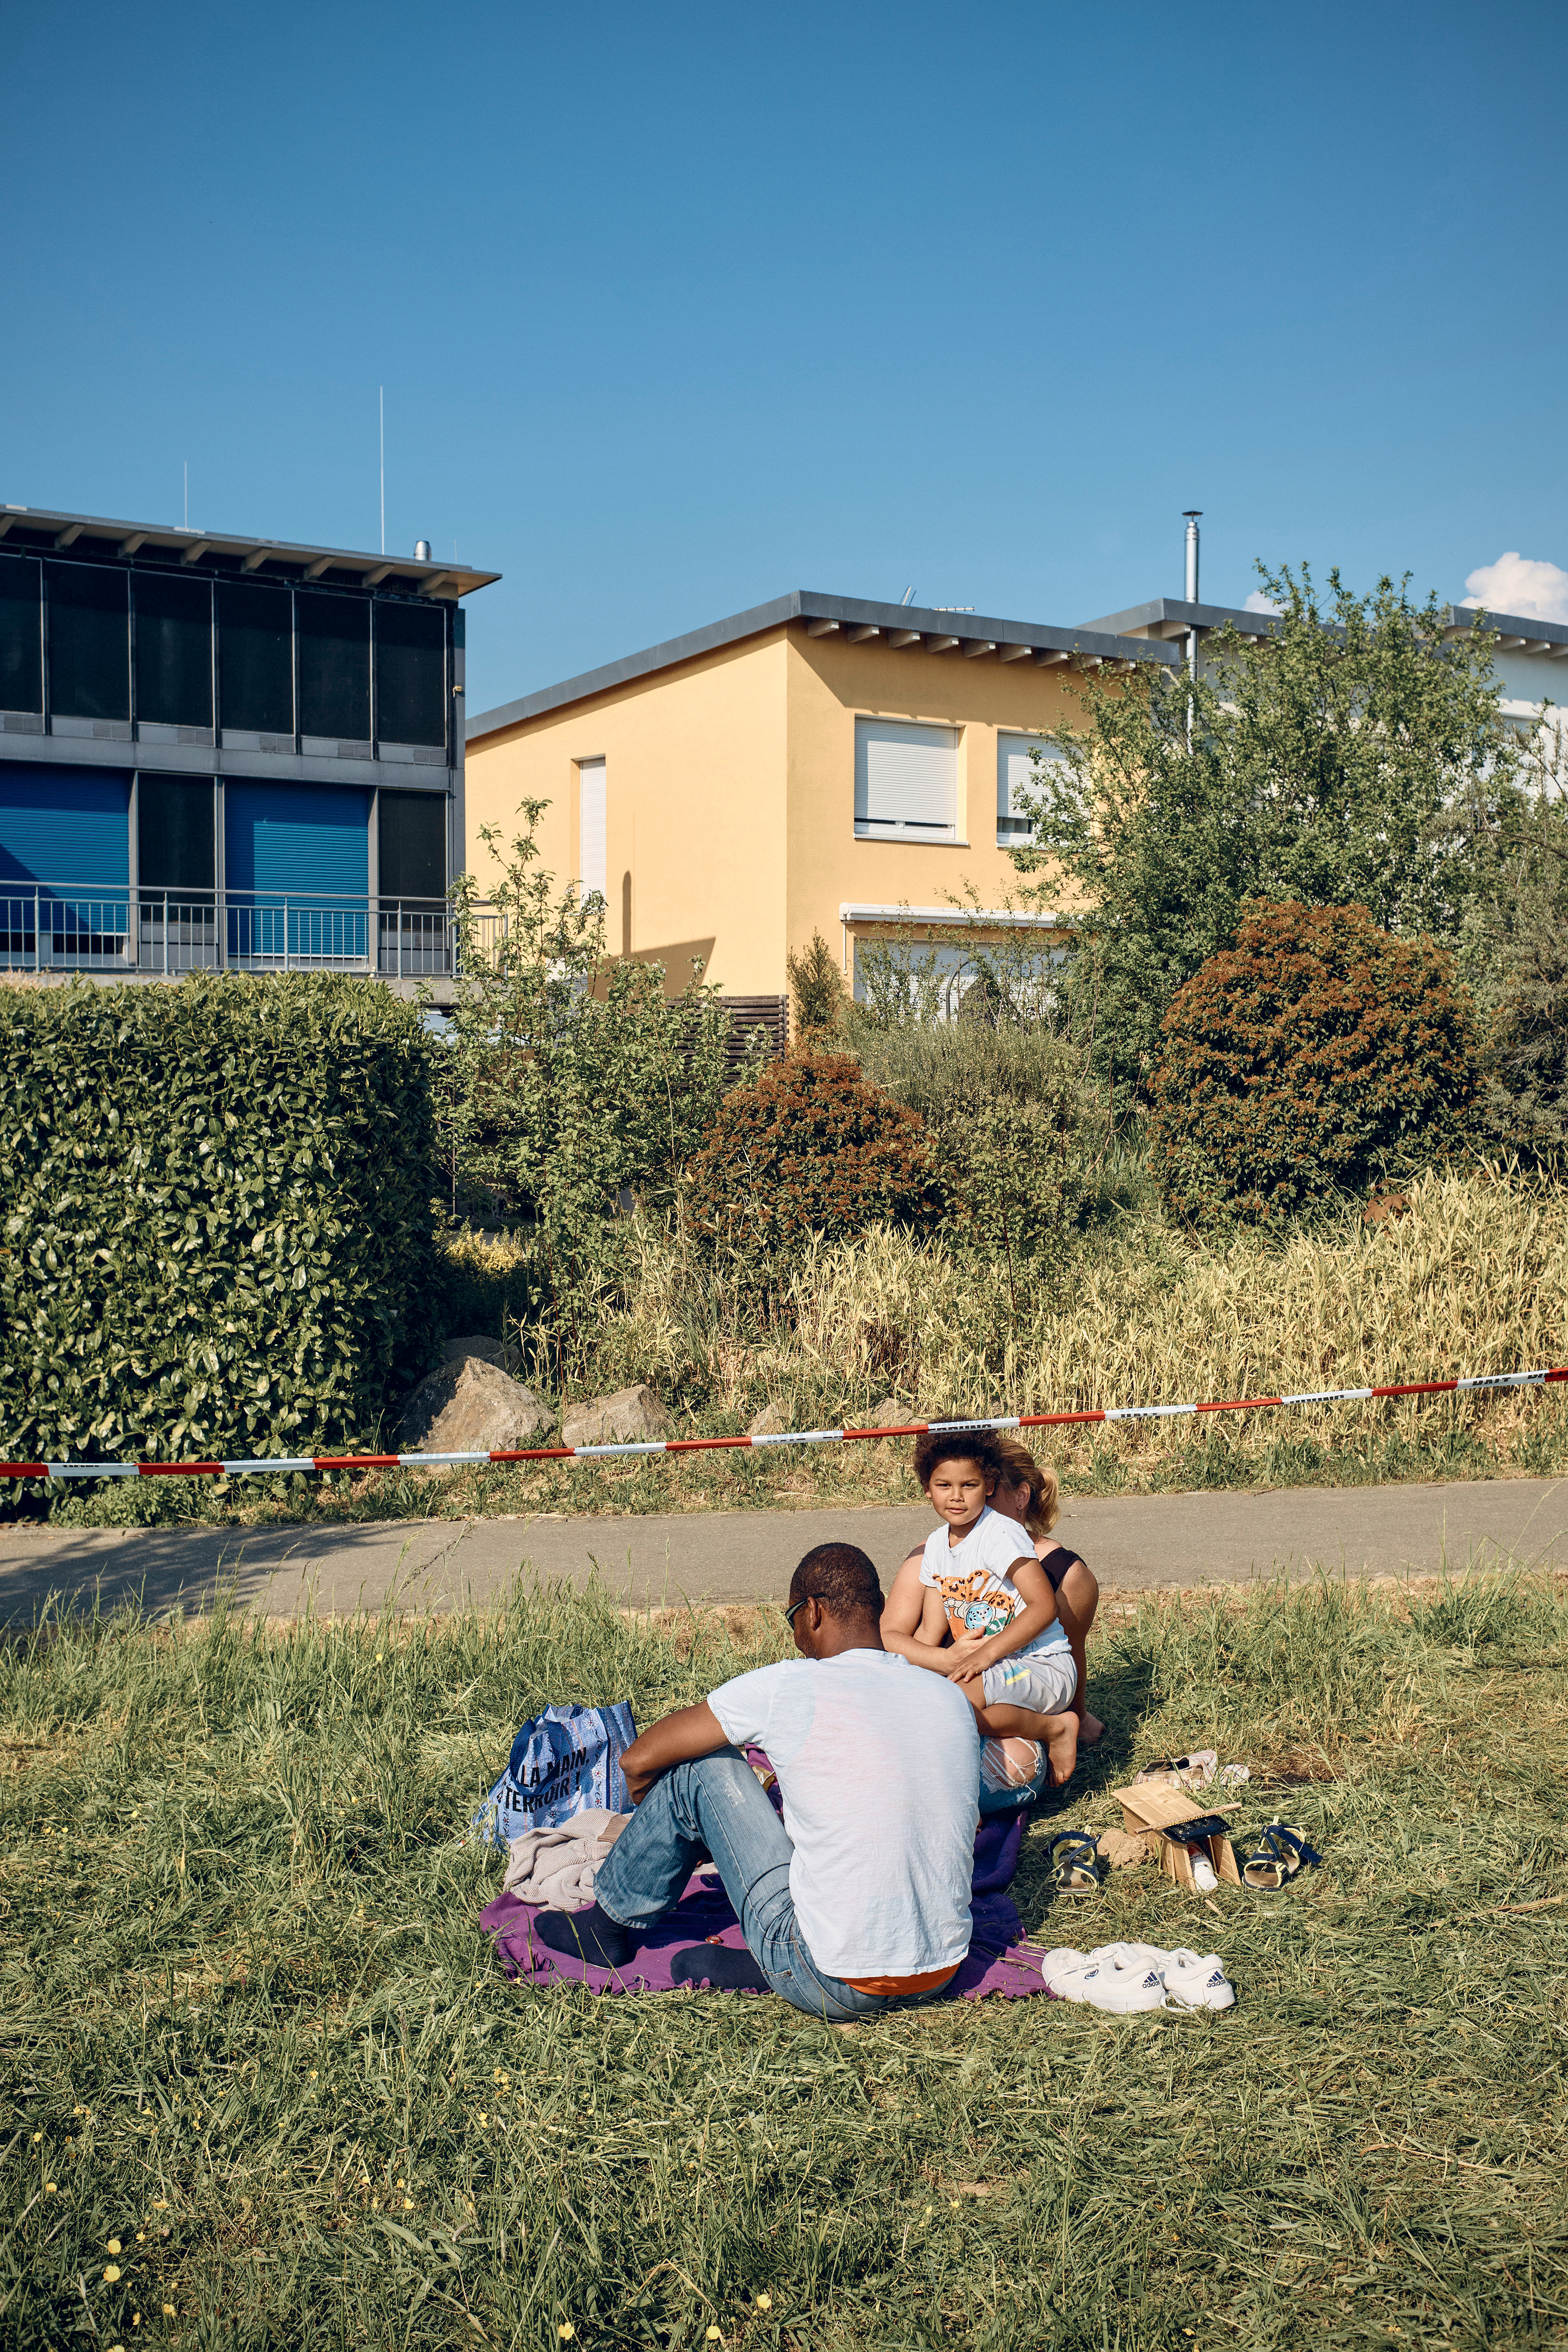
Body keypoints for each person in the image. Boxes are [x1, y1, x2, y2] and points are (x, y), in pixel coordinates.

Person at [532, 1543, 981, 2019]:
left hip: (832, 1979)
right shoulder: (946, 1696)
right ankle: (779, 1962)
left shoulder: (790, 1686)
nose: (793, 1638)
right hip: (941, 1969)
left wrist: (666, 1826)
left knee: (701, 1769)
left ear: (811, 1612)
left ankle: (606, 1927)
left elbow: (637, 1761)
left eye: (790, 1619)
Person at [885, 1429, 1079, 1790]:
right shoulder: (937, 1548)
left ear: (989, 1484)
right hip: (990, 1671)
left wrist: (985, 1655)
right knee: (933, 1701)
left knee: (952, 1703)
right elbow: (929, 1633)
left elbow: (1044, 1606)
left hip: (1040, 1666)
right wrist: (908, 1678)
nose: (956, 1497)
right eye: (944, 1485)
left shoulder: (1000, 1534)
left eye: (969, 1485)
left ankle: (1057, 1727)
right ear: (927, 1487)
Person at [989, 1433, 1105, 1749]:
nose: (971, 1502)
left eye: (987, 1491)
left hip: (1015, 1704)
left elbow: (1069, 1653)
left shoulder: (1069, 1575)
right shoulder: (938, 1550)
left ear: (1021, 1495)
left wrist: (1078, 1715)